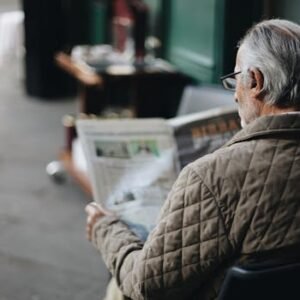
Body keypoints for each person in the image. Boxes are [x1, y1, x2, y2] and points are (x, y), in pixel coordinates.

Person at [85, 19, 300, 300]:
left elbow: (146, 286)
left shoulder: (212, 178)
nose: (235, 94)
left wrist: (105, 229)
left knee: (119, 289)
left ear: (256, 81)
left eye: (236, 79)